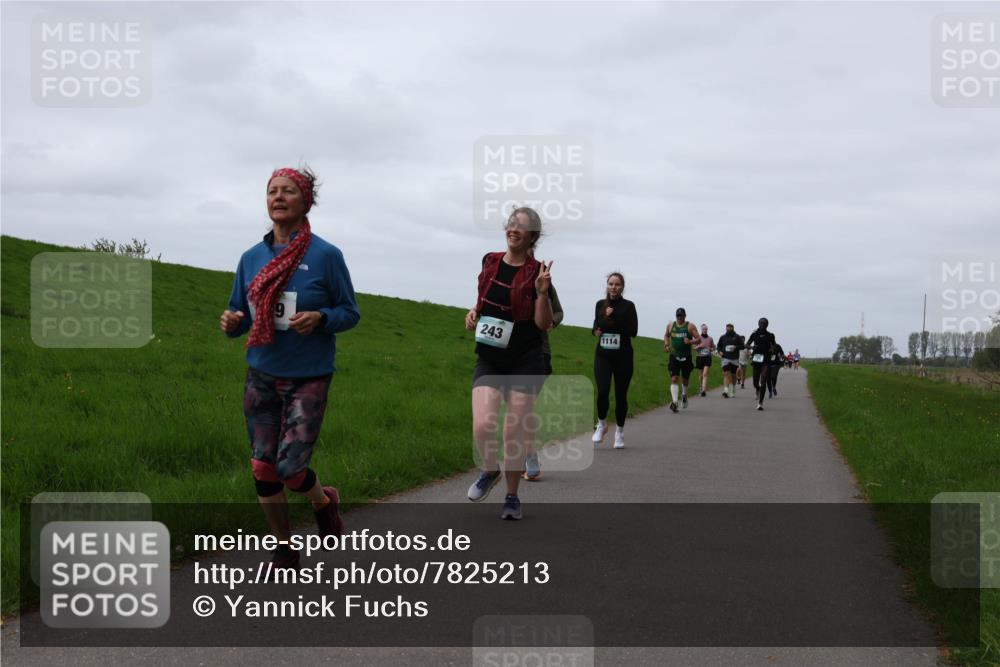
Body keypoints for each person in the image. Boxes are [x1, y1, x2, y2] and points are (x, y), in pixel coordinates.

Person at [220, 166, 360, 571]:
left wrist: (321, 318)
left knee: (290, 466)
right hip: (261, 372)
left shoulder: (326, 256)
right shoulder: (251, 258)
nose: (278, 197)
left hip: (309, 374)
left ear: (306, 201)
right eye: (271, 191)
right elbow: (240, 311)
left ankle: (323, 501)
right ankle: (284, 547)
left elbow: (350, 312)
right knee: (263, 467)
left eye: (288, 191)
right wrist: (233, 321)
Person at [464, 207, 554, 520]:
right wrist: (473, 313)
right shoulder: (490, 260)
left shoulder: (538, 272)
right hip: (490, 357)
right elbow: (484, 299)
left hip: (525, 359)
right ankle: (490, 469)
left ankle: (512, 497)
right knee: (483, 424)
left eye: (522, 226)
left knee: (512, 432)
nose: (514, 229)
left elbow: (544, 324)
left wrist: (541, 294)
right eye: (511, 223)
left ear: (532, 236)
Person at [591, 272, 638, 449]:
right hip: (603, 355)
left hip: (623, 356)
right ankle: (601, 423)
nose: (613, 287)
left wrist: (614, 316)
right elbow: (596, 324)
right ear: (607, 285)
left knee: (620, 396)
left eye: (617, 284)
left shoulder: (628, 306)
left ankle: (619, 432)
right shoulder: (600, 304)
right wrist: (596, 329)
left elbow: (633, 331)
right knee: (602, 391)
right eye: (611, 284)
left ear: (622, 286)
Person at [523, 282, 563, 481]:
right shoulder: (503, 274)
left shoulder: (543, 282)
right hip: (507, 352)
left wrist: (552, 322)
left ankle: (530, 458)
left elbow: (558, 311)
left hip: (539, 352)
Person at [664, 307, 701, 412]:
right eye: (678, 316)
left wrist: (690, 341)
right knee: (674, 378)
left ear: (685, 316)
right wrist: (666, 345)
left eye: (681, 316)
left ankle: (684, 394)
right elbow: (666, 335)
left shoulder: (690, 326)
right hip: (674, 355)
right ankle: (675, 402)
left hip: (686, 357)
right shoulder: (671, 325)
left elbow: (698, 339)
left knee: (685, 379)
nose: (680, 318)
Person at [746, 317, 777, 411]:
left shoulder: (770, 335)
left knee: (763, 381)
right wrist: (751, 347)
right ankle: (757, 389)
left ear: (767, 325)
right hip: (756, 359)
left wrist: (772, 349)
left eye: (765, 323)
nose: (763, 324)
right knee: (755, 382)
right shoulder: (754, 334)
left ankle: (760, 403)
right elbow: (746, 344)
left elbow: (774, 345)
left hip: (766, 360)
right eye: (761, 323)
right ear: (758, 324)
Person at [717, 323, 743, 398]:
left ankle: (733, 390)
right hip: (725, 358)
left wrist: (736, 347)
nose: (728, 330)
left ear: (733, 328)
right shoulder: (723, 337)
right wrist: (720, 351)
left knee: (733, 375)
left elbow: (742, 346)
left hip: (734, 358)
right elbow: (719, 346)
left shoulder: (737, 337)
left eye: (729, 328)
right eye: (727, 328)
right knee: (726, 373)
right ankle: (726, 390)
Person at [694, 324, 715, 397]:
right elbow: (694, 348)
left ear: (707, 330)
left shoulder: (710, 338)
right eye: (703, 329)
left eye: (706, 329)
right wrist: (699, 346)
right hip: (699, 357)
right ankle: (700, 387)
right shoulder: (698, 338)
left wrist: (711, 349)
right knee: (701, 375)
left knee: (705, 374)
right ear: (701, 330)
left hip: (707, 357)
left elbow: (713, 348)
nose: (705, 330)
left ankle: (703, 390)